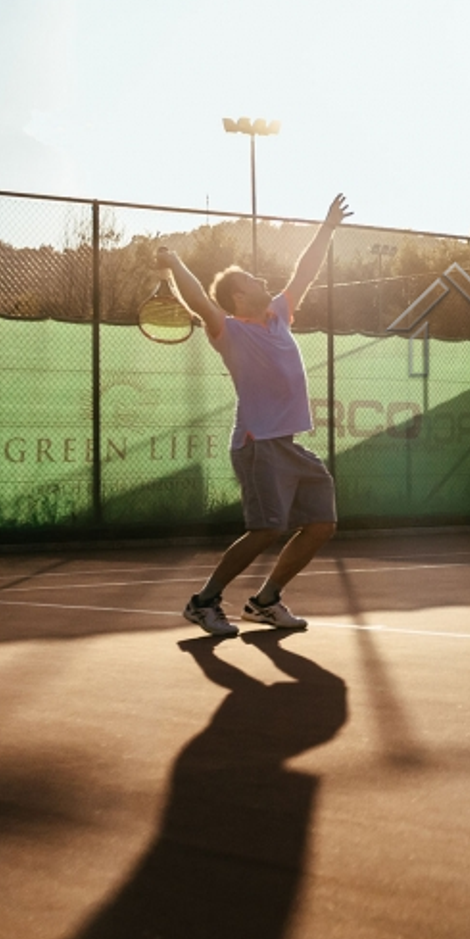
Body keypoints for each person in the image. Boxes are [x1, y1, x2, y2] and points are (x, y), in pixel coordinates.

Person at [157, 194, 352, 638]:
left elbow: (305, 271)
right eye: (251, 278)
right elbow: (198, 301)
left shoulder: (279, 314)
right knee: (266, 529)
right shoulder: (229, 330)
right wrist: (172, 263)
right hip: (257, 443)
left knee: (322, 523)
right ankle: (203, 602)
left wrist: (327, 228)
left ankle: (265, 601)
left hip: (288, 444)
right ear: (238, 295)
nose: (263, 278)